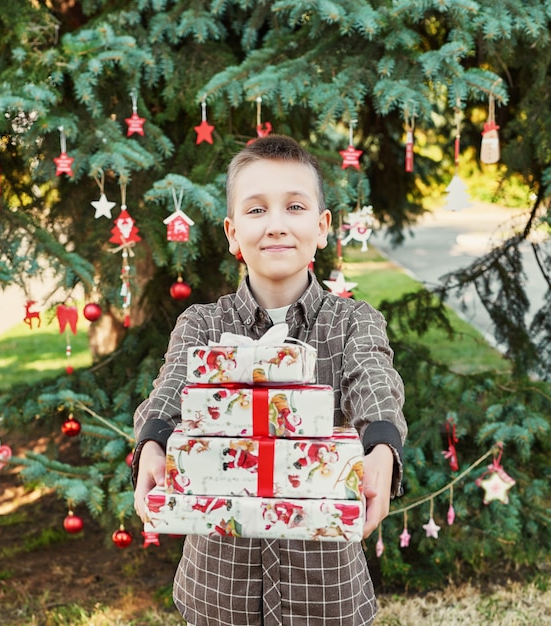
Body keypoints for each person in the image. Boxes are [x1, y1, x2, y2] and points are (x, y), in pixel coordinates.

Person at [132, 135, 407, 626]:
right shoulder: (202, 325)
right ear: (232, 233)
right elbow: (168, 396)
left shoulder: (353, 323)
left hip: (325, 594)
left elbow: (376, 387)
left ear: (322, 227)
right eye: (256, 211)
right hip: (218, 591)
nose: (276, 225)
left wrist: (382, 450)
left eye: (294, 207)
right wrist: (152, 445)